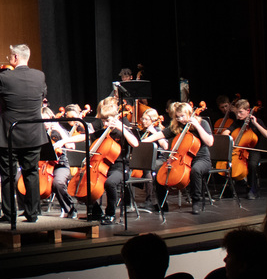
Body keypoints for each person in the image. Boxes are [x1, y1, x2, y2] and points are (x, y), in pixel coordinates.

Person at [0, 44, 47, 222]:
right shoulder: (39, 76)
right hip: (34, 134)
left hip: (9, 135)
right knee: (31, 173)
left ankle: (9, 214)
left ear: (16, 58)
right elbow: (43, 94)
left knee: (8, 176)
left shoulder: (5, 77)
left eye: (10, 56)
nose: (8, 59)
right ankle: (32, 213)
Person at [146, 101, 214, 214]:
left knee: (196, 170)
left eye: (183, 116)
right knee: (160, 171)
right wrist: (142, 142)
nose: (181, 119)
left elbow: (210, 142)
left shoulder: (202, 123)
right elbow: (161, 134)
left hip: (201, 159)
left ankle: (196, 201)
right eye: (177, 117)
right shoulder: (177, 126)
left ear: (189, 113)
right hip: (182, 159)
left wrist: (197, 126)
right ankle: (162, 203)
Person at [88, 96, 140, 224]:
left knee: (110, 183)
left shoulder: (122, 130)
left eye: (107, 120)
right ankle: (96, 210)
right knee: (86, 182)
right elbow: (91, 146)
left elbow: (135, 143)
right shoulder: (103, 132)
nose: (105, 123)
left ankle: (110, 214)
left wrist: (122, 127)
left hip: (120, 167)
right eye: (104, 120)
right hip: (103, 166)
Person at [226, 98, 267, 199]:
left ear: (248, 111)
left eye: (241, 112)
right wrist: (227, 134)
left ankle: (253, 190)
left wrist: (255, 124)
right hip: (239, 151)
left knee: (252, 165)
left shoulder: (257, 121)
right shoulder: (237, 122)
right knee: (228, 162)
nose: (238, 115)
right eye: (237, 113)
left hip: (254, 150)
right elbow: (227, 132)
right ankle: (230, 189)